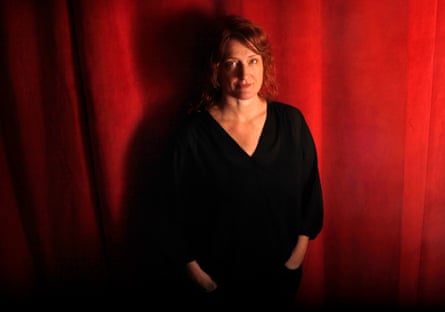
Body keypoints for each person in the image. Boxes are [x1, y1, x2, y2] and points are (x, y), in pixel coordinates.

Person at [158, 14, 323, 311]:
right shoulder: (191, 135)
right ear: (216, 70)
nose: (244, 74)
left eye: (253, 60)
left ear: (264, 64)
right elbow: (170, 212)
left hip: (280, 282)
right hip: (216, 287)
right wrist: (198, 277)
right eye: (232, 63)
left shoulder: (292, 123)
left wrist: (295, 259)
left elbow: (311, 196)